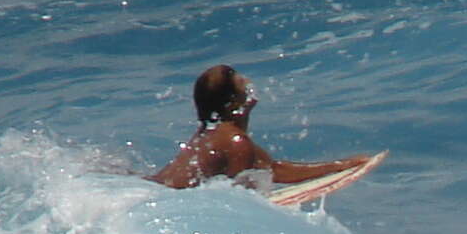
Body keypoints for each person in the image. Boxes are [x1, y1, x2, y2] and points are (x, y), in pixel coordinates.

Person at [152, 65, 364, 190]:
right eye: (242, 83)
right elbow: (247, 189)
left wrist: (340, 166)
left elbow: (272, 170)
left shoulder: (210, 135)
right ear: (234, 103)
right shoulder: (234, 141)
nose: (249, 84)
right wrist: (341, 166)